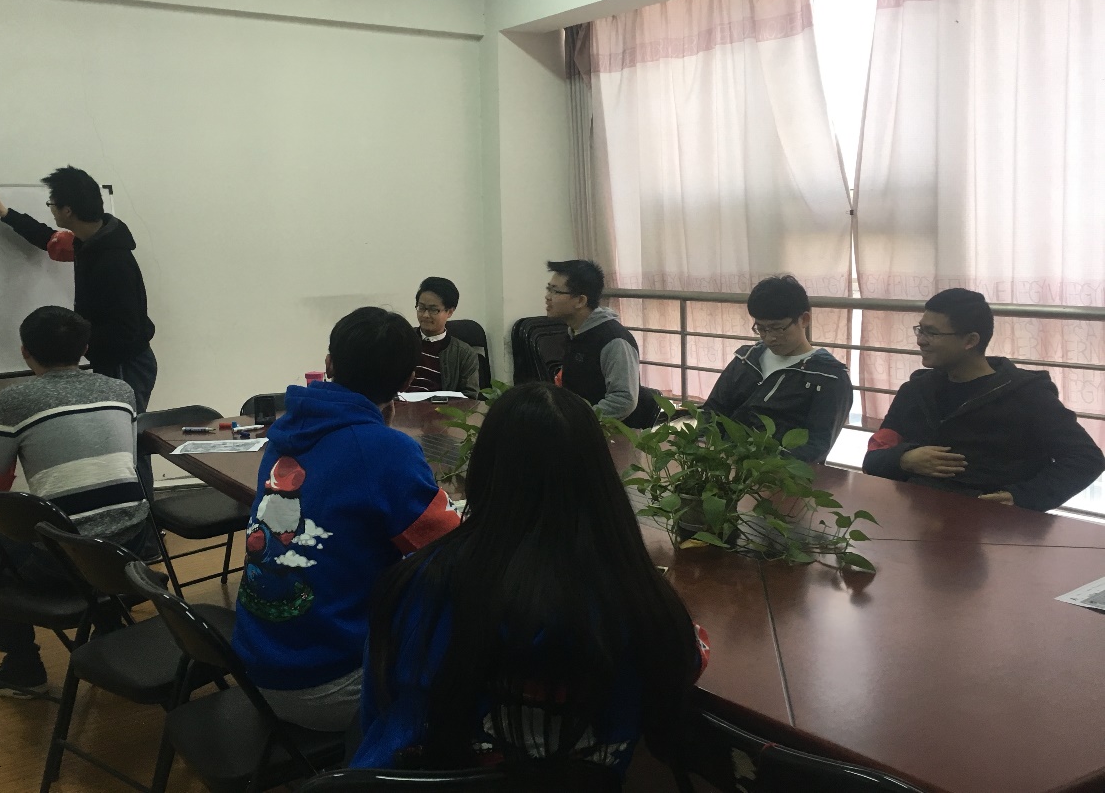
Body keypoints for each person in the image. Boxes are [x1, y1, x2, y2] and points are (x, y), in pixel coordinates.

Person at [352, 382, 708, 774]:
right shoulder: (643, 604)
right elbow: (685, 666)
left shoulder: (421, 585)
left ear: (486, 471)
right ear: (601, 477)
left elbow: (378, 713)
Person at [233, 307, 462, 731]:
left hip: (255, 666)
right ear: (409, 381)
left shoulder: (286, 432)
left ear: (329, 363)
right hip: (328, 685)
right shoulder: (385, 450)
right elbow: (453, 549)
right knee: (469, 633)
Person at [0, 306, 154, 697]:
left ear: (25, 352)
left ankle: (23, 668)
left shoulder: (16, 400)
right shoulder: (120, 390)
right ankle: (108, 622)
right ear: (84, 348)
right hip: (134, 547)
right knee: (88, 528)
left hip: (68, 559)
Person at [863, 288, 1104, 511]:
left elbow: (1085, 458)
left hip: (989, 527)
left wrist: (1020, 498)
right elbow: (873, 458)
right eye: (920, 330)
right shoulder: (914, 391)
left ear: (970, 341)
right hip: (915, 519)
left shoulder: (1028, 395)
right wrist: (903, 459)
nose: (920, 340)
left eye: (932, 333)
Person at [0, 167, 156, 414]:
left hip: (125, 363)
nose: (51, 208)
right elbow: (49, 239)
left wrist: (72, 343)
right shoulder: (90, 240)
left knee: (127, 430)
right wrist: (5, 213)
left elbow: (126, 329)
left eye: (52, 204)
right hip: (111, 359)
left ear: (67, 210)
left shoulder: (113, 261)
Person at [700, 275, 852, 463]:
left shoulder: (828, 377)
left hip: (777, 472)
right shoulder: (746, 359)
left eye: (778, 328)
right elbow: (712, 410)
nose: (769, 337)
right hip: (724, 464)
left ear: (804, 319)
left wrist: (762, 464)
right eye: (761, 328)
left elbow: (816, 447)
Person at [545, 259, 657, 428]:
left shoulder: (614, 340)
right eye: (548, 289)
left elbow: (623, 400)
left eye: (555, 291)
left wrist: (577, 421)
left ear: (580, 301)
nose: (547, 297)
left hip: (608, 433)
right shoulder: (575, 331)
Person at [411, 276, 479, 396]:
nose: (425, 315)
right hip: (401, 406)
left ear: (450, 312)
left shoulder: (464, 354)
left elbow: (470, 396)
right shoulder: (401, 340)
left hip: (442, 407)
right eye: (421, 308)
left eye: (433, 310)